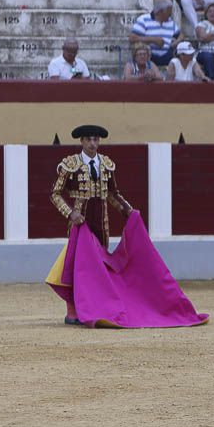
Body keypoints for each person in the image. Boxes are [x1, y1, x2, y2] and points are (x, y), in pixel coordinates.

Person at [46, 124, 133, 324]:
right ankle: (73, 310)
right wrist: (70, 213)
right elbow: (55, 194)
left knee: (100, 264)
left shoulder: (107, 164)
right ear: (82, 141)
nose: (93, 143)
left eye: (96, 139)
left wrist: (127, 210)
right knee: (77, 266)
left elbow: (112, 194)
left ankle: (97, 307)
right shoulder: (70, 164)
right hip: (80, 223)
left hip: (101, 221)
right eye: (89, 140)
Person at [129, 0, 180, 66]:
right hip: (149, 56)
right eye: (169, 12)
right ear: (160, 12)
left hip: (168, 56)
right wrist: (153, 40)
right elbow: (132, 38)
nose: (170, 14)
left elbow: (180, 34)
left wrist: (177, 41)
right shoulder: (144, 19)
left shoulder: (170, 22)